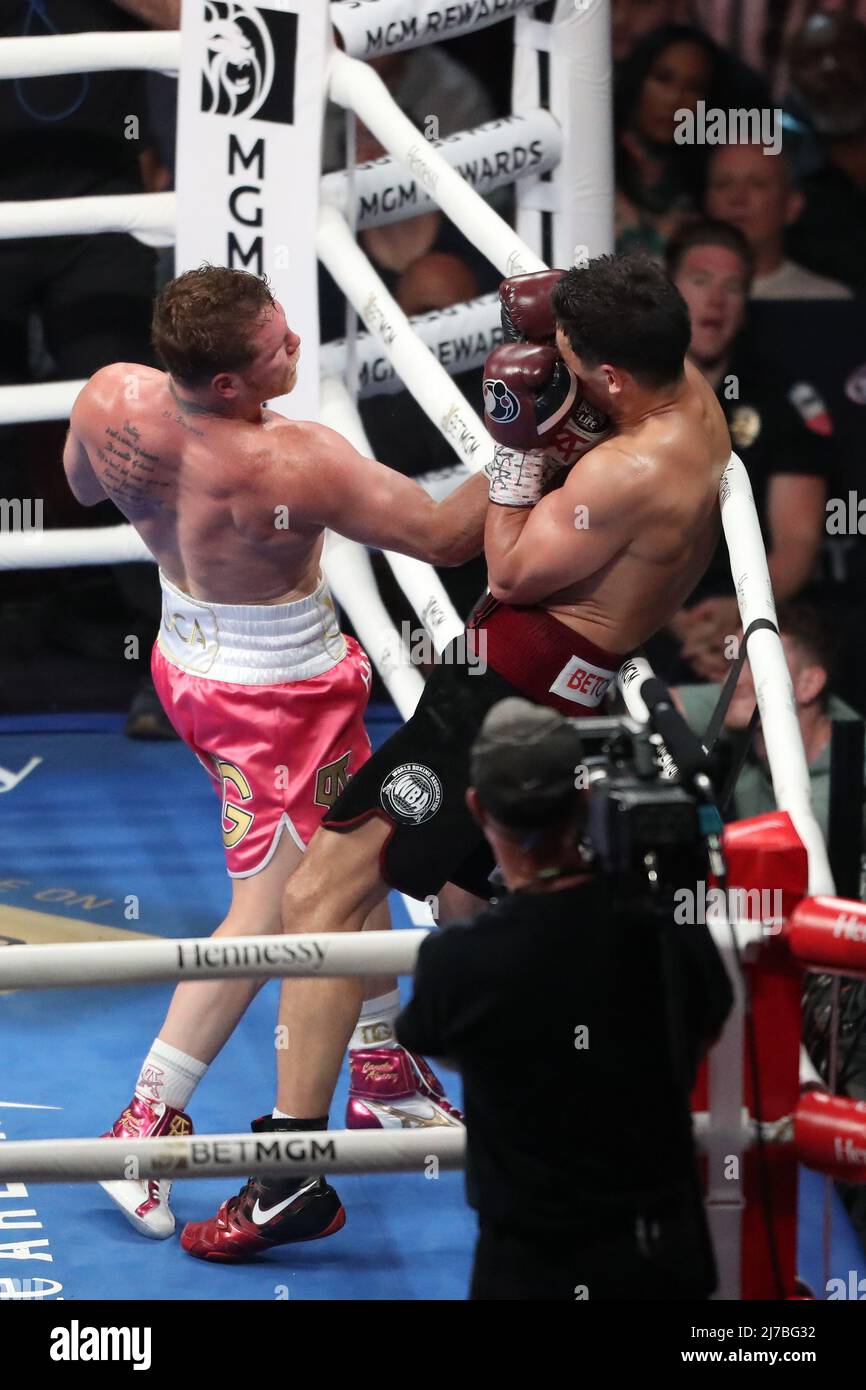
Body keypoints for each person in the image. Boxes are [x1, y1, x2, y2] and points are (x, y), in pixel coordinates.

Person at [179, 253, 733, 1261]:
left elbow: (512, 565)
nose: (552, 360)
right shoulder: (678, 397)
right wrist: (565, 325)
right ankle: (523, 1126)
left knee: (320, 892)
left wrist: (519, 450)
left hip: (498, 702)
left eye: (569, 355)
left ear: (606, 377)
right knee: (483, 911)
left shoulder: (629, 469)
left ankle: (291, 1170)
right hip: (550, 691)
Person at [63, 265, 489, 1238]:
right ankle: (142, 1126)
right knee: (269, 912)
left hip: (192, 652)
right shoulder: (295, 463)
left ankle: (378, 1063)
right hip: (270, 698)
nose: (297, 345)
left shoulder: (107, 399)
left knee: (351, 849)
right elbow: (445, 536)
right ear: (226, 385)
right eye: (277, 347)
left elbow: (89, 485)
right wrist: (533, 446)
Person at [395, 697, 733, 1300]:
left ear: (477, 809)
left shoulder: (459, 961)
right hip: (659, 1248)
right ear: (582, 799)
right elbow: (706, 1019)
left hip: (527, 1260)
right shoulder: (660, 931)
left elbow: (437, 1045)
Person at [0, 0, 181, 739]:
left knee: (132, 433)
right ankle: (22, 621)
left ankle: (172, 657)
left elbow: (195, 18)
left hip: (101, 205)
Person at [656, 218, 831, 682]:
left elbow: (797, 543)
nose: (716, 300)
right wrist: (671, 618)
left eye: (733, 287)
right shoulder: (623, 390)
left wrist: (740, 611)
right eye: (699, 281)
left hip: (755, 605)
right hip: (645, 604)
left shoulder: (782, 401)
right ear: (667, 292)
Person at [675, 600, 866, 835]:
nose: (731, 680)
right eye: (733, 663)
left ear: (809, 684)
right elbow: (651, 703)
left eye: (757, 663)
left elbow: (785, 845)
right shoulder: (746, 700)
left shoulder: (846, 786)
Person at [704, 143, 852, 300]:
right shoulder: (678, 299)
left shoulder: (827, 301)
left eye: (757, 184)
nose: (737, 198)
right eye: (723, 184)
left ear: (791, 206)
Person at [785, 13, 866, 293]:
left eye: (844, 51)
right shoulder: (775, 158)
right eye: (813, 59)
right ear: (793, 77)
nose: (831, 67)